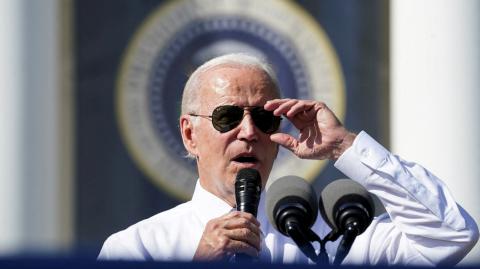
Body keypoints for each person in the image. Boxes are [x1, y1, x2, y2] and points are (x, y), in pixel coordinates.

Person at [98, 53, 478, 265]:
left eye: (264, 118)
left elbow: (450, 234)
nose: (248, 132)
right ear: (189, 133)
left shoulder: (337, 237)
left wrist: (343, 145)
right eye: (228, 116)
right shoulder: (140, 248)